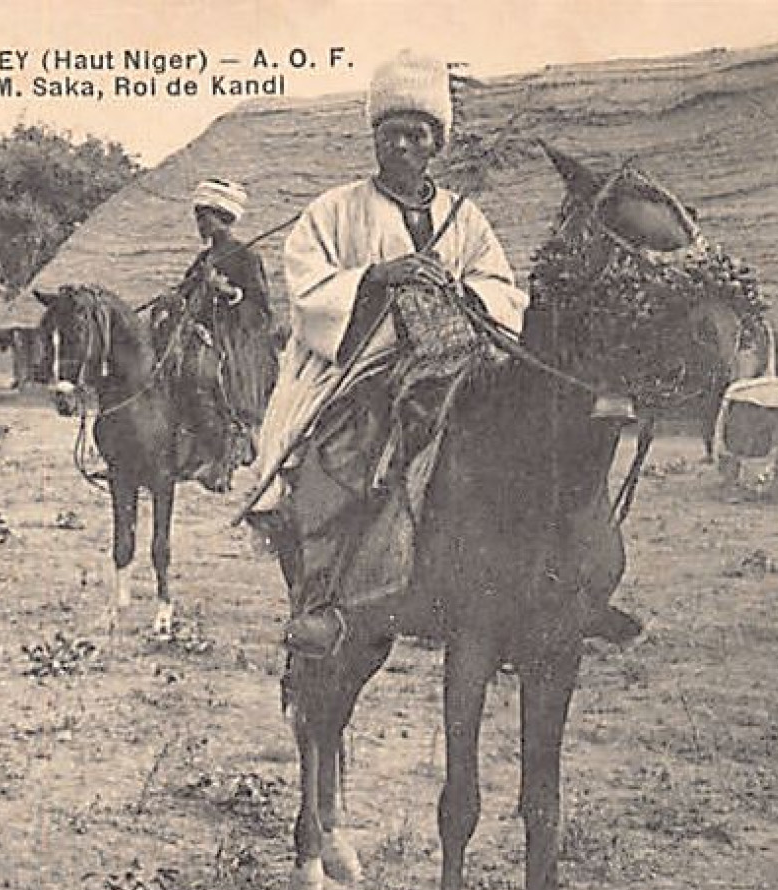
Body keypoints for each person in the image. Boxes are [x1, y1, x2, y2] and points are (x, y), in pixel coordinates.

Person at [241, 50, 531, 655]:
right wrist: (376, 277)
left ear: (436, 144)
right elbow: (308, 284)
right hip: (362, 361)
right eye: (390, 134)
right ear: (375, 139)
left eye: (416, 134)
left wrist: (466, 294)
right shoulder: (335, 209)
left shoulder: (464, 216)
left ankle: (522, 593)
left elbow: (501, 286)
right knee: (339, 452)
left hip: (459, 359)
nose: (401, 145)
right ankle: (320, 599)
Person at [162, 179, 277, 492]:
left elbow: (261, 309)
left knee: (200, 374)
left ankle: (220, 457)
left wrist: (229, 293)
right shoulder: (203, 259)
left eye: (204, 216)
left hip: (239, 340)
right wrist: (175, 298)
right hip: (205, 334)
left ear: (222, 216)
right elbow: (187, 293)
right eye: (197, 216)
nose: (199, 223)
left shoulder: (245, 256)